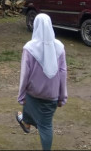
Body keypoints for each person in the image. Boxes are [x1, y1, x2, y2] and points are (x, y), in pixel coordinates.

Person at [16, 13, 67, 151]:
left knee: (40, 121)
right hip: (51, 94)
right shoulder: (60, 47)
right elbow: (63, 73)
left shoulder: (29, 48)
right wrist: (62, 97)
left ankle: (27, 123)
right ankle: (27, 123)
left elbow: (24, 74)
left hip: (33, 92)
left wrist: (21, 95)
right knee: (46, 124)